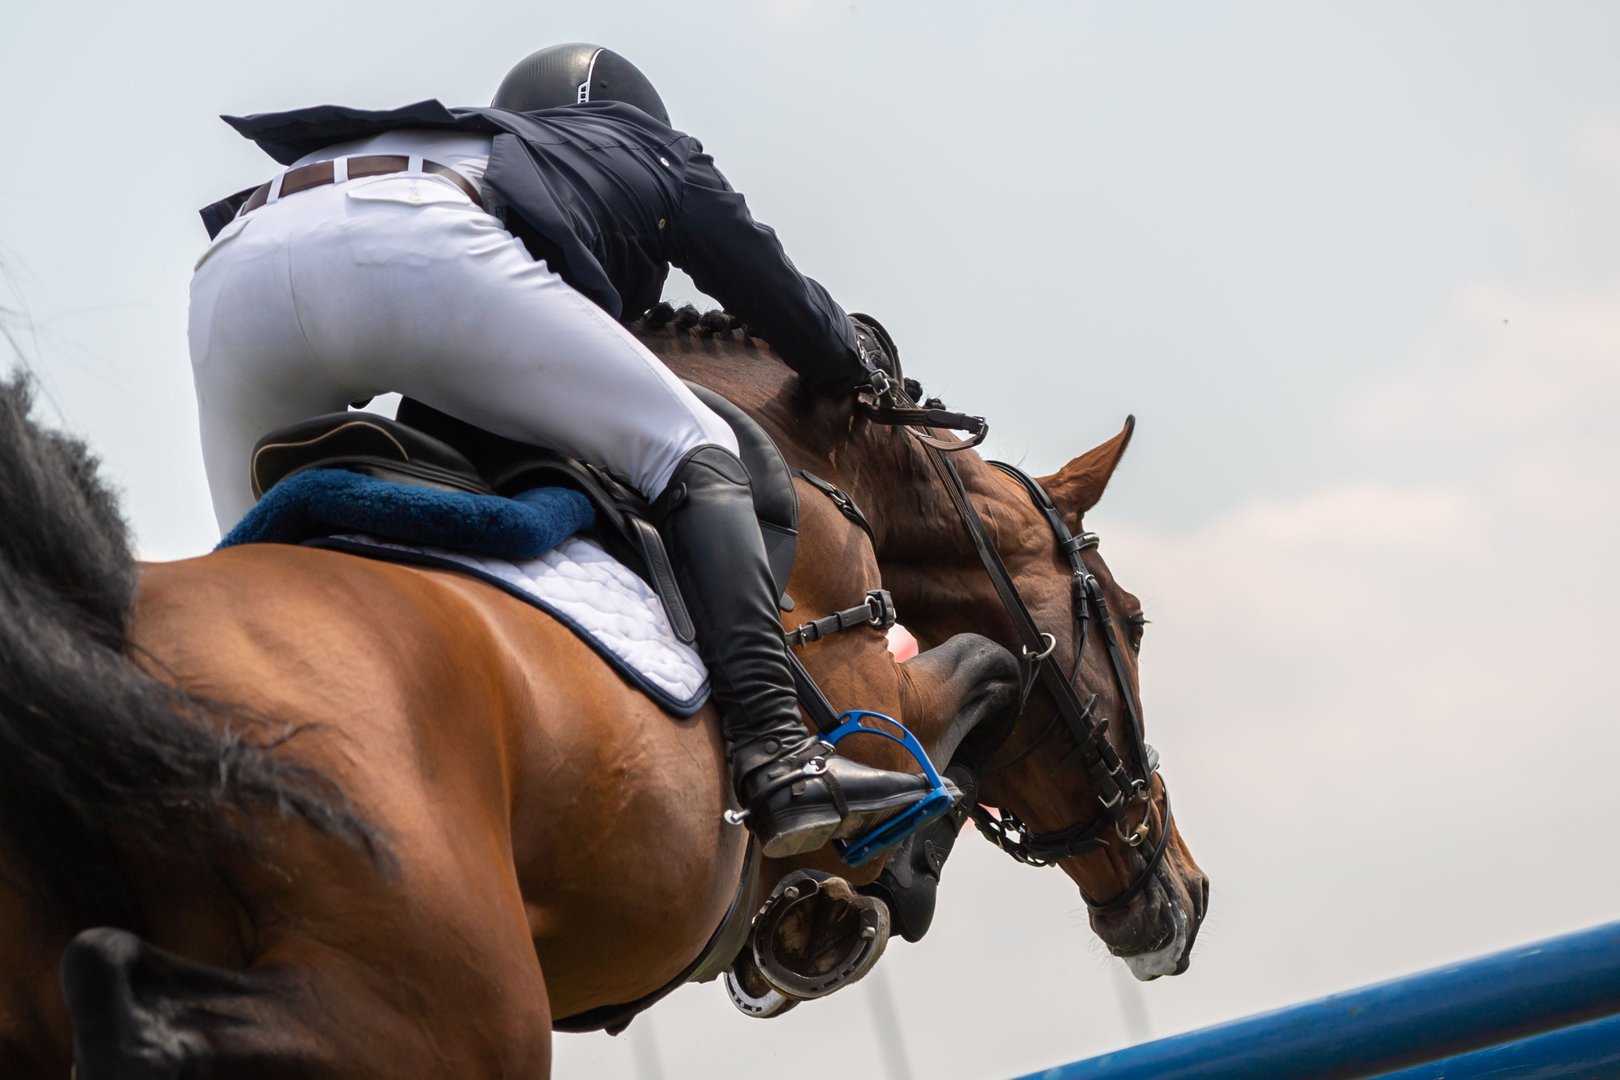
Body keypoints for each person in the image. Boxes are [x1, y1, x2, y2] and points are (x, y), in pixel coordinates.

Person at [189, 43, 944, 860]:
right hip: (411, 242)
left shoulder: (490, 142)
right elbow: (775, 292)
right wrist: (855, 364)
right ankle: (780, 758)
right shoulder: (651, 146)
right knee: (693, 444)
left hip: (235, 270)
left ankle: (215, 814)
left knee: (253, 572)